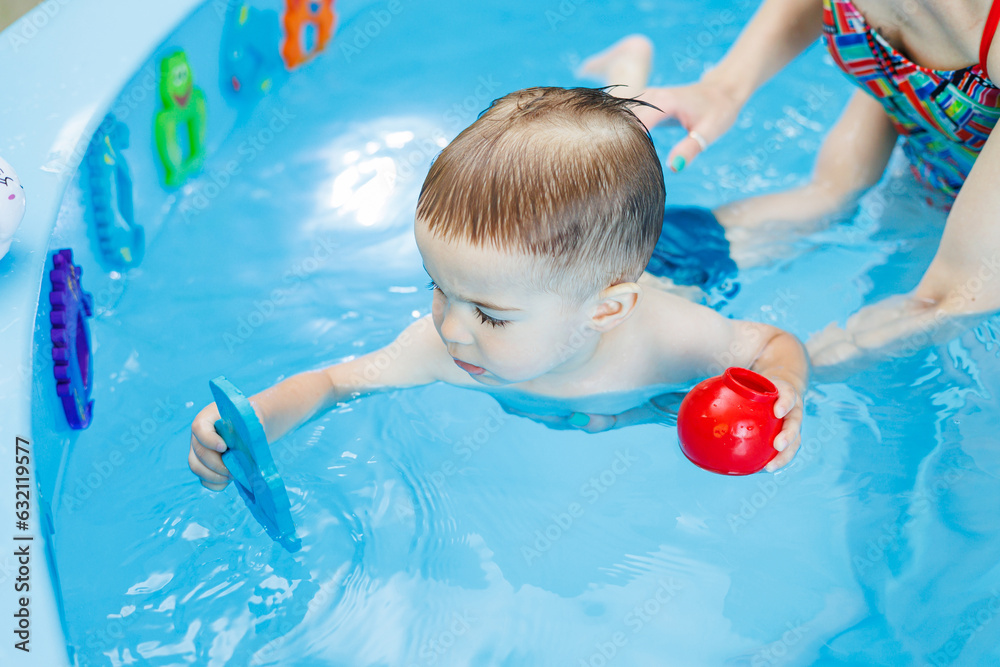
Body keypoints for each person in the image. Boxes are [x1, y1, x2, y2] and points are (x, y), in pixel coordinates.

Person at [188, 87, 809, 490]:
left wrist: (785, 387)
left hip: (685, 263)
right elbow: (332, 383)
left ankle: (862, 139)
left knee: (817, 205)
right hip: (575, 260)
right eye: (439, 288)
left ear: (607, 313)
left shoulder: (671, 342)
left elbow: (769, 343)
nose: (450, 328)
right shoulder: (443, 347)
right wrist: (257, 417)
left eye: (490, 315)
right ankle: (630, 87)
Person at [579, 0, 1000, 368]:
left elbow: (956, 295)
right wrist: (722, 87)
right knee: (826, 199)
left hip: (976, 233)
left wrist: (779, 369)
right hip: (915, 134)